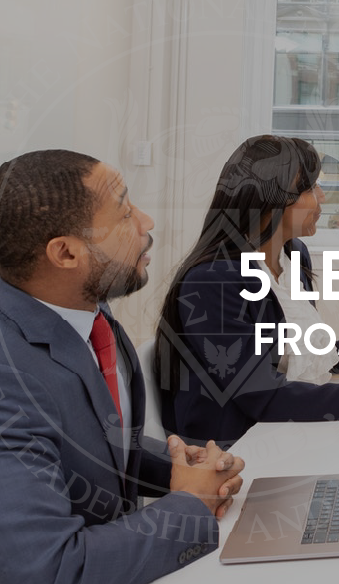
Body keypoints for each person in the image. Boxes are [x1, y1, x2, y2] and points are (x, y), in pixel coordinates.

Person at [0, 150, 245, 582]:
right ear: (66, 253)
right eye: (124, 212)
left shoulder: (83, 307)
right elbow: (49, 569)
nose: (146, 222)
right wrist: (190, 505)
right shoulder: (10, 380)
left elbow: (88, 439)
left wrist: (180, 468)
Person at [158, 136, 339, 446]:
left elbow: (310, 346)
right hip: (233, 446)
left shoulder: (293, 256)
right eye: (311, 188)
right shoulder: (211, 281)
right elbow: (259, 394)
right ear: (272, 198)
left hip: (279, 426)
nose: (322, 198)